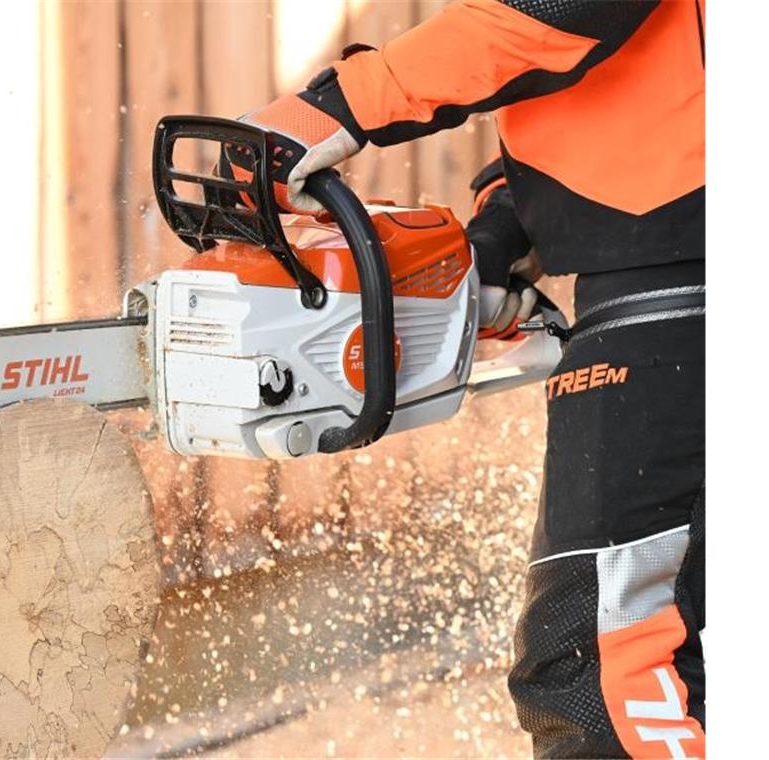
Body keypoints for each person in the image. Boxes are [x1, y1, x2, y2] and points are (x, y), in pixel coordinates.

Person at [228, 1, 705, 756]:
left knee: (608, 663)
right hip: (675, 262)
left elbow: (567, 9)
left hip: (680, 280)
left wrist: (346, 103)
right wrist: (510, 227)